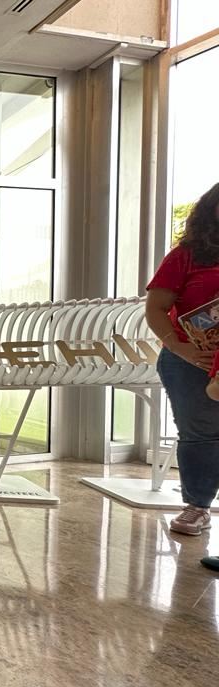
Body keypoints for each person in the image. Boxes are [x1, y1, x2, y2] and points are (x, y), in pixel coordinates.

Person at [145, 182, 219, 554]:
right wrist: (181, 347)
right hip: (189, 360)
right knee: (200, 432)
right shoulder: (186, 256)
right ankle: (198, 506)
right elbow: (155, 309)